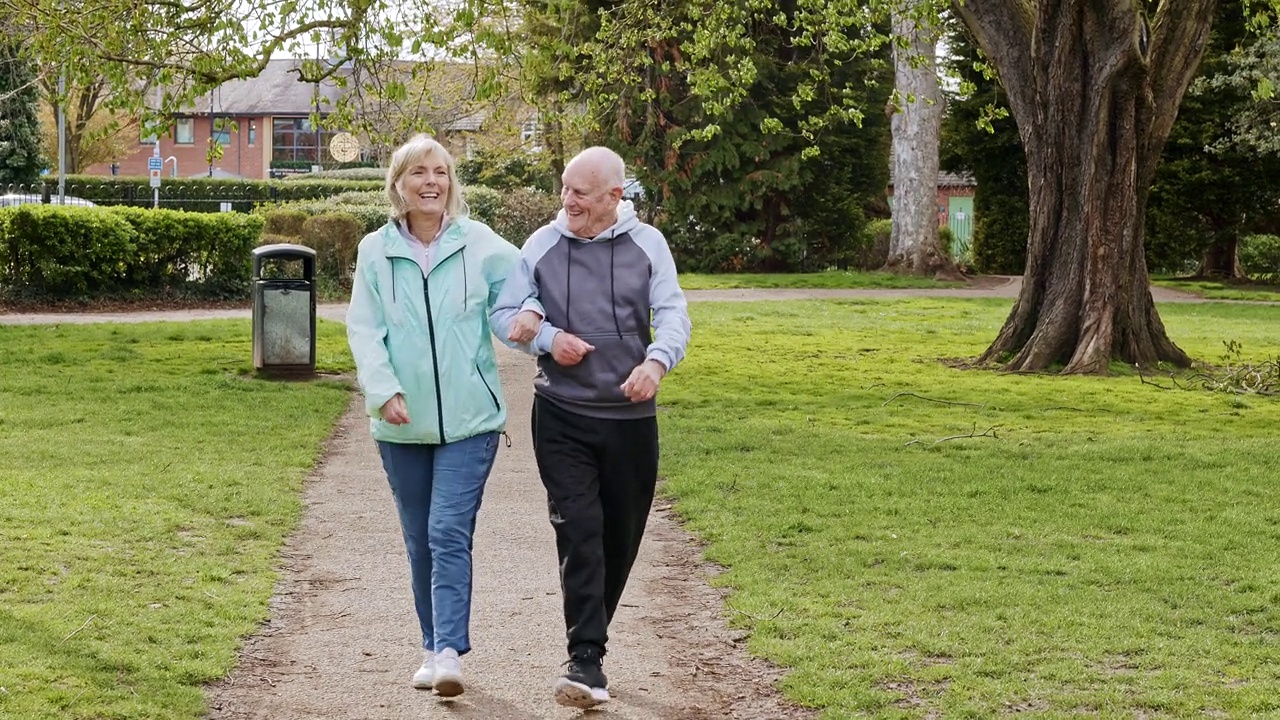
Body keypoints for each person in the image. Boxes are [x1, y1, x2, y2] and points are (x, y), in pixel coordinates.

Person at [490, 146, 692, 709]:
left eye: (580, 192)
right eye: (564, 188)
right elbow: (505, 315)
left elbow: (673, 313)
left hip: (630, 419)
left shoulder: (648, 246)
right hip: (562, 414)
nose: (567, 201)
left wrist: (655, 363)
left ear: (614, 198)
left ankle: (589, 648)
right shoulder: (541, 245)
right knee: (578, 530)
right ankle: (585, 661)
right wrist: (548, 338)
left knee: (618, 540)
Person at [346, 134, 521, 698]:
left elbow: (523, 288)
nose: (431, 182)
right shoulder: (376, 250)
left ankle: (449, 653)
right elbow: (363, 327)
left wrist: (534, 317)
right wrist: (382, 390)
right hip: (401, 421)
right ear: (398, 185)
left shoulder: (480, 242)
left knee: (448, 530)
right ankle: (430, 644)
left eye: (440, 172)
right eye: (418, 172)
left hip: (471, 421)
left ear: (451, 182)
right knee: (419, 537)